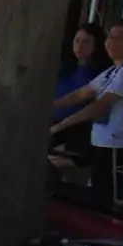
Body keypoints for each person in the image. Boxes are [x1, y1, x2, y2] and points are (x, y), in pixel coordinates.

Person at [51, 15, 123, 207]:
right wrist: (48, 106)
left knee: (105, 201)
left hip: (120, 147)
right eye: (110, 37)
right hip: (102, 144)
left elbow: (101, 105)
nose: (112, 42)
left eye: (120, 38)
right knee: (95, 195)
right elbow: (79, 94)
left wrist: (60, 126)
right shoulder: (113, 71)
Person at [52, 22, 110, 158]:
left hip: (77, 130)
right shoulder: (66, 68)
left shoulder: (99, 75)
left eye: (86, 42)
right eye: (77, 41)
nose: (79, 46)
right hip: (54, 123)